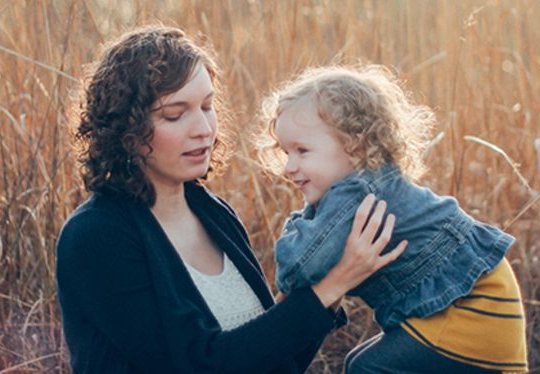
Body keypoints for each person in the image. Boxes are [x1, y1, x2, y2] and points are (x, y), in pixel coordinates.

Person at [55, 26, 408, 374]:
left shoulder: (214, 213)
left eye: (207, 107)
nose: (204, 129)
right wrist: (334, 283)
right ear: (126, 130)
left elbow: (276, 361)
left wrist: (334, 275)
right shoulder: (96, 236)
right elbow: (197, 364)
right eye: (175, 114)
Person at [259, 65, 528, 373]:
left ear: (354, 146)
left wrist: (297, 225)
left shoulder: (355, 196)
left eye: (302, 151)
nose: (288, 167)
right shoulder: (371, 183)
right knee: (357, 363)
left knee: (367, 369)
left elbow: (298, 268)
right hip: (486, 299)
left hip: (470, 313)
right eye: (285, 152)